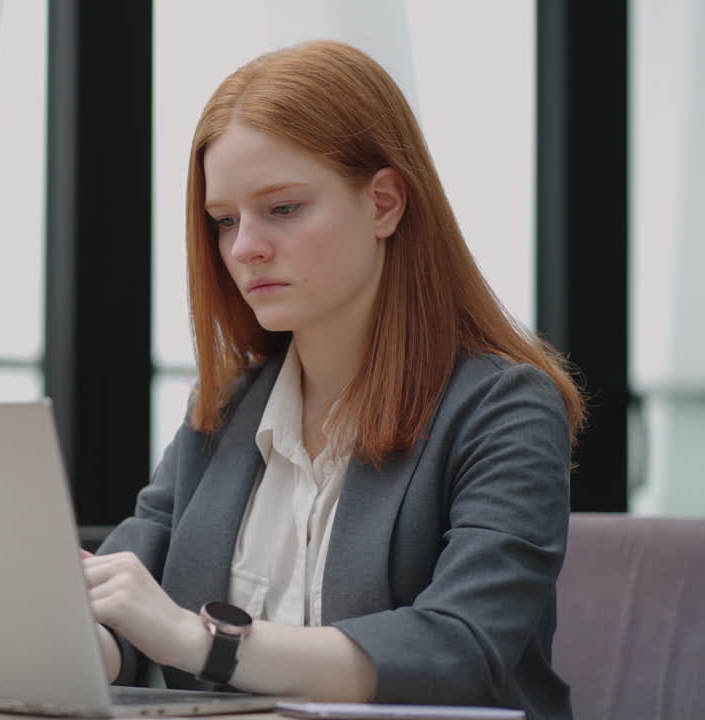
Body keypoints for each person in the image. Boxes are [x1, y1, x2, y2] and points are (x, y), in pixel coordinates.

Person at [80, 40, 585, 720]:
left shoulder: (503, 410)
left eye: (282, 208)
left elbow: (460, 651)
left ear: (383, 203)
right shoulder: (225, 407)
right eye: (225, 220)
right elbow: (124, 602)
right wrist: (75, 640)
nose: (244, 247)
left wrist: (202, 641)